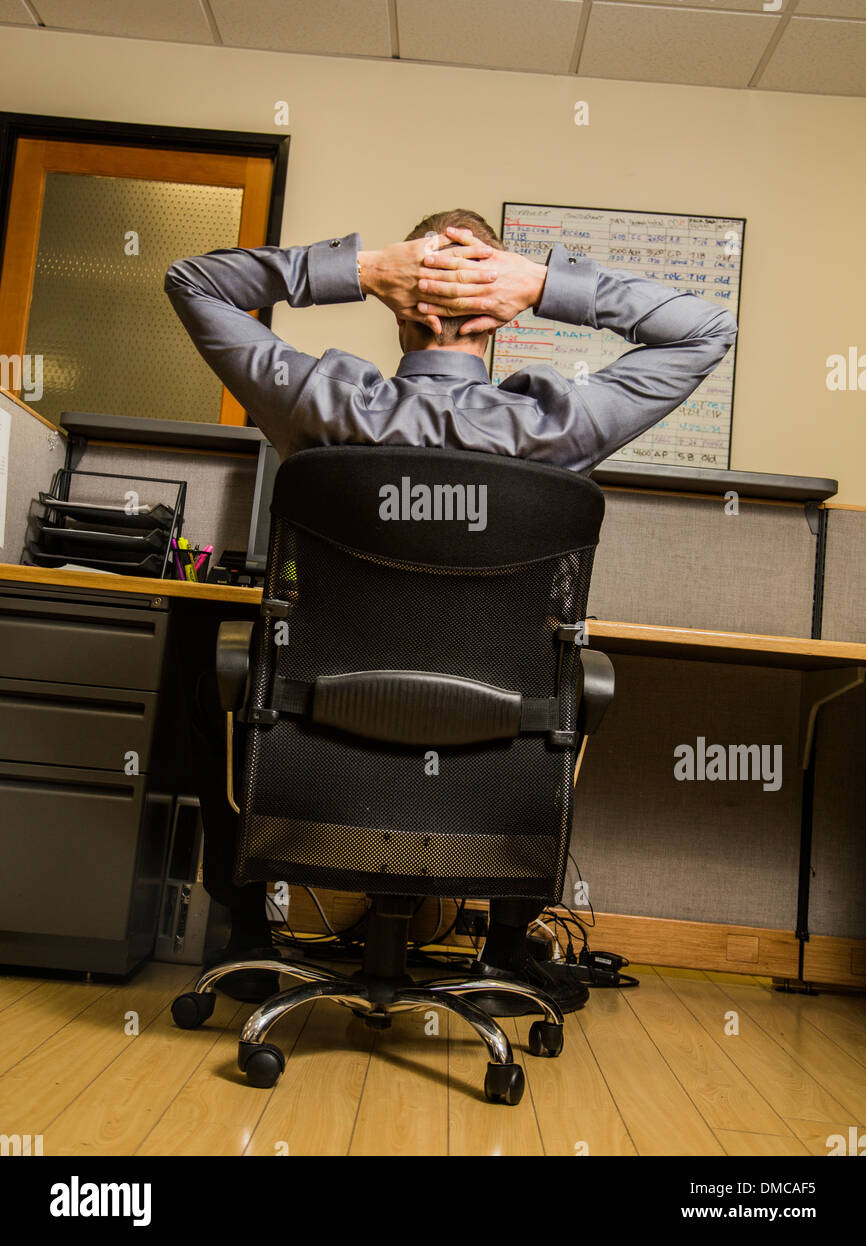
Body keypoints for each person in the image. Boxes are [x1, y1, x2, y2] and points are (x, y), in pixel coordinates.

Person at [164, 209, 737, 1011]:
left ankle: (251, 938)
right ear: (498, 316)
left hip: (319, 752)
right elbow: (708, 329)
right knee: (568, 691)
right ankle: (502, 949)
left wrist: (359, 267)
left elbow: (191, 280)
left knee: (212, 666)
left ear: (403, 307)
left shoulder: (318, 403)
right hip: (487, 766)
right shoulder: (557, 428)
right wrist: (544, 284)